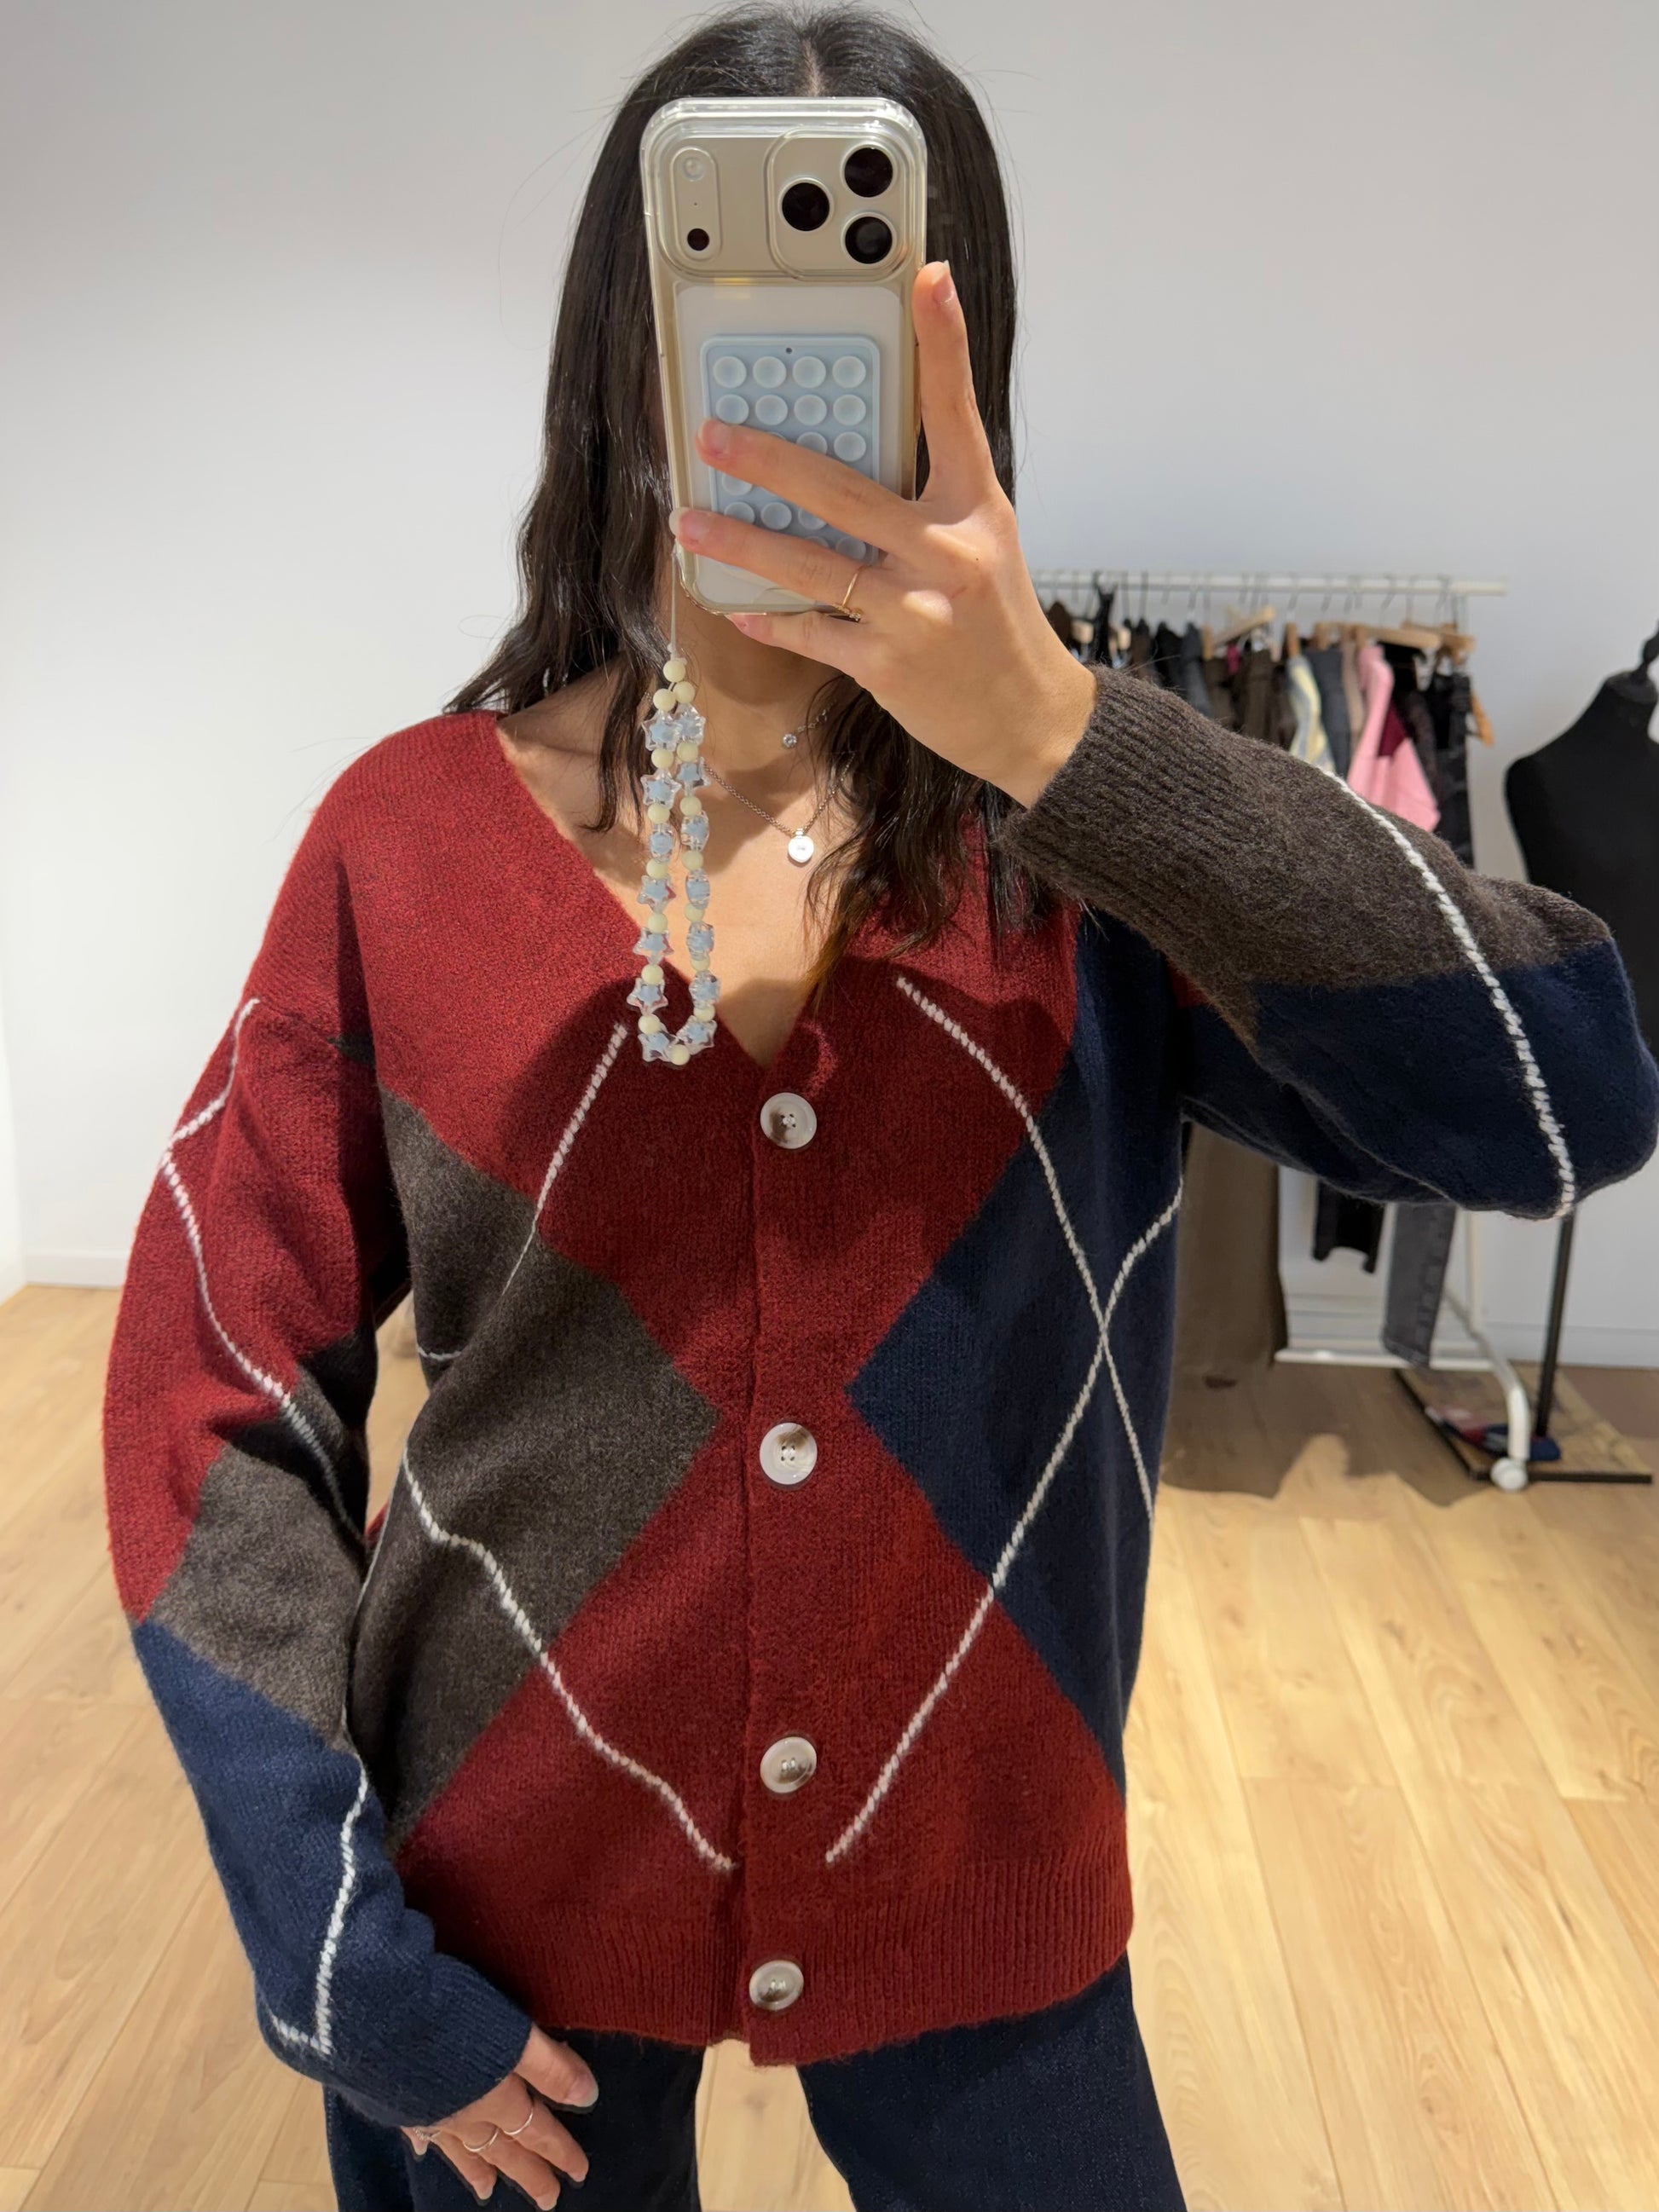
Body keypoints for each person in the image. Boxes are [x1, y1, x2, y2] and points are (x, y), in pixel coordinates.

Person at [100, 9, 1659, 2212]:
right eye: (715, 290)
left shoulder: (1095, 853)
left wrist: (1062, 735)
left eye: (842, 300)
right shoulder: (406, 839)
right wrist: (333, 1940)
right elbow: (206, 1389)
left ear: (959, 348)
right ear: (623, 342)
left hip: (981, 1872)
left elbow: (1563, 1100)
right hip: (490, 1923)